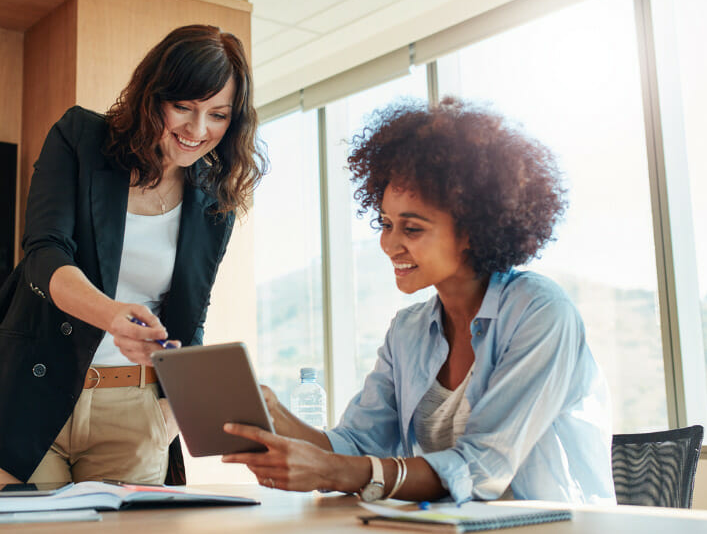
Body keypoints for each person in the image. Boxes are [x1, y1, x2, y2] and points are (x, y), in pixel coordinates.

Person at [222, 97, 615, 505]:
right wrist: (280, 418)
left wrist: (335, 470)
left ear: (472, 231)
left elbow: (480, 469)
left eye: (411, 228)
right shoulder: (409, 331)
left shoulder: (541, 313)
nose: (390, 244)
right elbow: (359, 445)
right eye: (386, 224)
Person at [0, 24, 266, 487]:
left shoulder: (212, 203)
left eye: (217, 115)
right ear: (152, 96)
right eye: (182, 107)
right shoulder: (81, 139)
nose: (198, 130)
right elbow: (44, 255)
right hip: (31, 394)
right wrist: (112, 315)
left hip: (135, 414)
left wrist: (170, 419)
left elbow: (187, 320)